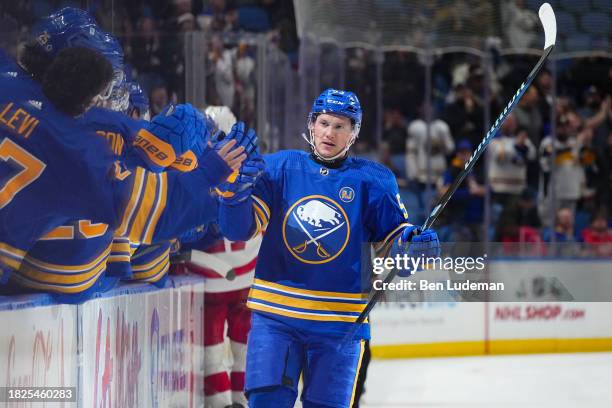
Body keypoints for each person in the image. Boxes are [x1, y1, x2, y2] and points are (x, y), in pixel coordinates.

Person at [0, 9, 254, 297]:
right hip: (46, 280)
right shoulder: (78, 147)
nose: (107, 95)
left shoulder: (7, 83)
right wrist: (214, 174)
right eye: (102, 85)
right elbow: (160, 215)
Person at [217, 89, 440, 407]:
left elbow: (395, 242)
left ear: (354, 132)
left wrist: (412, 248)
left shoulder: (373, 180)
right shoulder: (279, 168)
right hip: (276, 318)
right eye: (323, 123)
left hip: (340, 324)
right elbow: (238, 229)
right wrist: (232, 195)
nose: (329, 133)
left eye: (340, 126)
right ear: (311, 125)